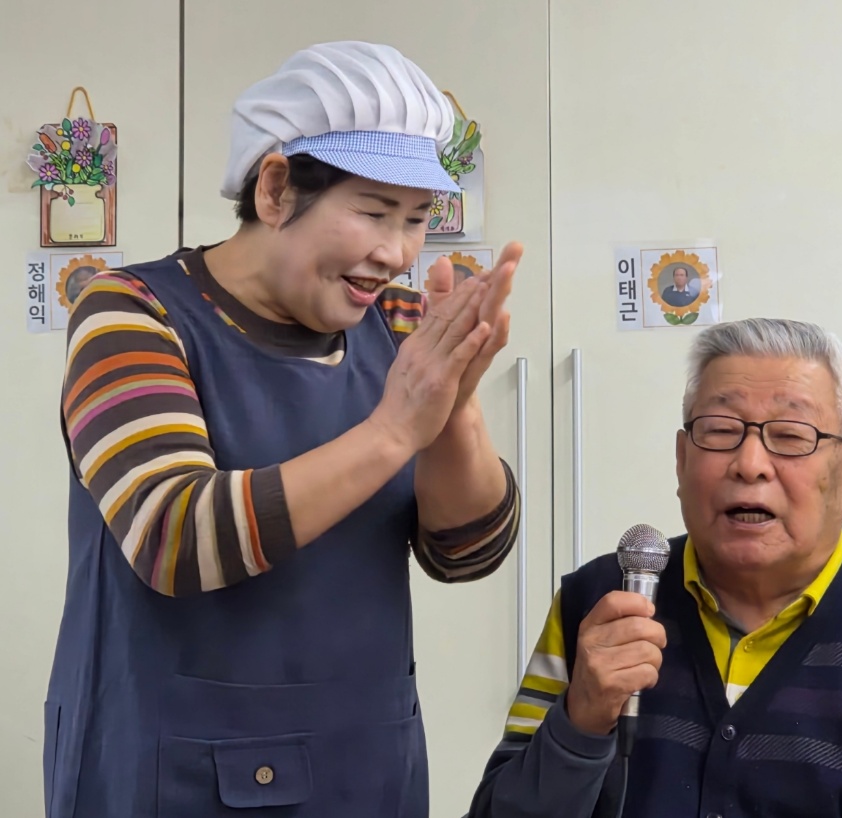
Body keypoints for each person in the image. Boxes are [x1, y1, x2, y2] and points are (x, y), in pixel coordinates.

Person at [44, 41, 523, 818]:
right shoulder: (132, 313)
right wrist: (395, 427)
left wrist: (455, 408)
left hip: (366, 764)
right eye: (373, 212)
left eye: (416, 220)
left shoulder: (401, 324)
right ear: (275, 189)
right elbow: (173, 535)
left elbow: (468, 552)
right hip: (177, 774)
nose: (396, 253)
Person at [468, 318, 842, 818]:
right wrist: (580, 723)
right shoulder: (598, 604)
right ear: (681, 461)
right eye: (721, 431)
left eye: (790, 436)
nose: (750, 464)